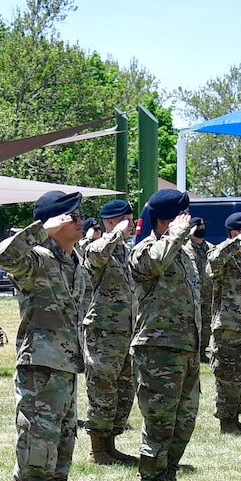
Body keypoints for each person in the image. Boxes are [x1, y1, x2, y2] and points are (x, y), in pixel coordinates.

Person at [0, 190, 88, 481]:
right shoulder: (36, 258)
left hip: (66, 368)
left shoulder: (73, 260)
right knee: (36, 452)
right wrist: (38, 230)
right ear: (54, 221)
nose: (81, 220)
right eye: (73, 215)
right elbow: (3, 255)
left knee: (61, 454)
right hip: (40, 369)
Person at [128, 188, 204, 481]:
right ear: (165, 219)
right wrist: (172, 235)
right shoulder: (145, 250)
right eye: (183, 214)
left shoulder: (184, 254)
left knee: (183, 422)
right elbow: (154, 263)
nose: (190, 220)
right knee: (159, 424)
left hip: (186, 349)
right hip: (157, 351)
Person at [81, 198, 138, 465]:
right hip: (103, 330)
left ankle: (110, 443)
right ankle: (97, 448)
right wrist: (114, 234)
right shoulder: (97, 247)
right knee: (102, 389)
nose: (133, 224)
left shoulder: (125, 251)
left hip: (125, 331)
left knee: (124, 390)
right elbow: (94, 257)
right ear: (114, 222)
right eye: (128, 219)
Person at [207, 211, 241, 435]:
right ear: (234, 233)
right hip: (228, 326)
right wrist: (236, 242)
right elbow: (214, 260)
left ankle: (236, 418)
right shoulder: (220, 253)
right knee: (228, 376)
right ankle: (226, 422)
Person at [188, 218, 215, 365]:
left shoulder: (211, 248)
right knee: (193, 324)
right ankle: (193, 351)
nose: (202, 228)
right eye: (199, 226)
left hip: (208, 292)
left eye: (203, 225)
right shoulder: (186, 248)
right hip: (193, 294)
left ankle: (203, 351)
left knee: (206, 324)